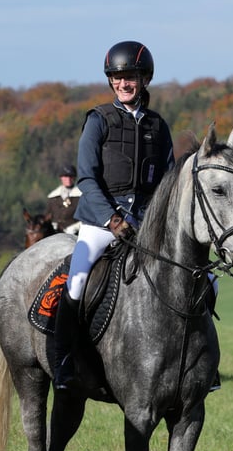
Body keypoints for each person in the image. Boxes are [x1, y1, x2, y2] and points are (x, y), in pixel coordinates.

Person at [53, 40, 175, 390]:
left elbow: (167, 182)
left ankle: (199, 365)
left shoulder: (157, 126)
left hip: (145, 223)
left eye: (130, 77)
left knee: (199, 279)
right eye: (117, 77)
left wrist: (153, 220)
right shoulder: (98, 120)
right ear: (111, 81)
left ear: (144, 79)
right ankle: (64, 363)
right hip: (101, 222)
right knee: (76, 283)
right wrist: (113, 219)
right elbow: (87, 177)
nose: (124, 83)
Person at [44, 164, 82, 235]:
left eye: (70, 176)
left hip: (76, 233)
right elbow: (47, 216)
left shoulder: (81, 196)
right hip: (54, 233)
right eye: (65, 176)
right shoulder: (53, 197)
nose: (68, 179)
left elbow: (87, 218)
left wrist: (75, 227)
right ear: (61, 177)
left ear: (74, 178)